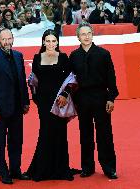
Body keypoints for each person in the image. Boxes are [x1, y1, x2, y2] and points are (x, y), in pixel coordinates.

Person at [24, 29, 76, 181]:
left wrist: (65, 95)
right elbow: (33, 81)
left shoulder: (64, 57)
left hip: (59, 101)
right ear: (43, 42)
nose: (51, 44)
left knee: (60, 132)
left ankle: (60, 169)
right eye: (48, 41)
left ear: (57, 42)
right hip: (44, 102)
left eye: (53, 41)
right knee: (45, 133)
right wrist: (36, 98)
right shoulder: (37, 58)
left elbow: (71, 78)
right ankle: (42, 169)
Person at [69, 22, 119, 179]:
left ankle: (109, 167)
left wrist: (111, 98)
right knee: (85, 134)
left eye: (89, 33)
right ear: (78, 37)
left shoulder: (104, 54)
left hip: (101, 98)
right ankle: (87, 167)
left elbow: (111, 79)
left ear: (92, 34)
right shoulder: (73, 56)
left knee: (105, 134)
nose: (86, 36)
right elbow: (71, 81)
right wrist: (74, 100)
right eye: (83, 34)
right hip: (82, 99)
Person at [0, 28, 30, 184]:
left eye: (9, 38)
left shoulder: (19, 56)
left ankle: (16, 170)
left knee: (17, 140)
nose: (7, 42)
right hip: (0, 110)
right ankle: (3, 173)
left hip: (17, 107)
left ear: (13, 39)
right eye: (3, 39)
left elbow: (22, 81)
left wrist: (26, 101)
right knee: (0, 143)